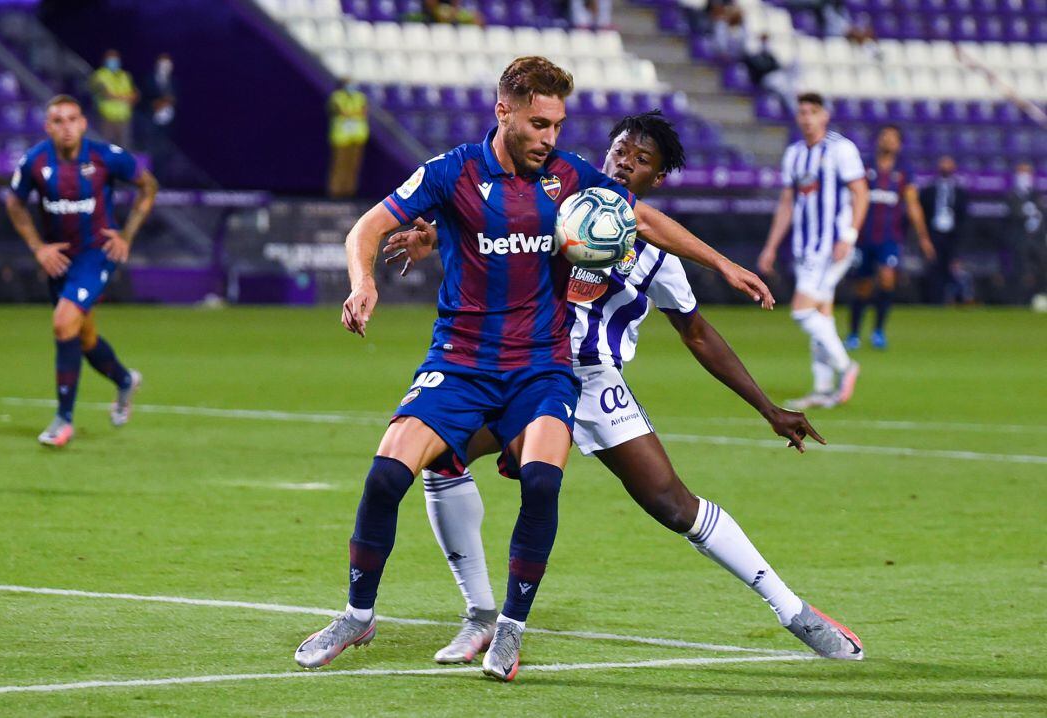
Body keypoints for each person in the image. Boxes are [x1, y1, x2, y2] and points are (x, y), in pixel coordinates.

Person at [293, 56, 774, 682]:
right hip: (460, 360)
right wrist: (364, 284)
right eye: (539, 123)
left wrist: (722, 265)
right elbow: (369, 224)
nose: (551, 138)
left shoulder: (569, 177)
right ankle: (358, 614)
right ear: (504, 112)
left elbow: (642, 217)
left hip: (540, 367)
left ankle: (508, 631)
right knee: (387, 473)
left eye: (558, 124)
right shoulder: (454, 171)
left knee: (543, 481)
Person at [385, 110, 864, 666]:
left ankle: (793, 611)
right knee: (441, 457)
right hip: (527, 370)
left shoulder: (660, 255)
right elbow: (488, 234)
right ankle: (481, 617)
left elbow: (699, 334)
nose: (625, 163)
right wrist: (436, 238)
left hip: (593, 382)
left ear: (655, 179)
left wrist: (767, 408)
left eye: (642, 161)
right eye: (620, 150)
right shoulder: (556, 203)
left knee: (673, 504)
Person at [5, 94, 158, 446]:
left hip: (95, 254)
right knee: (84, 337)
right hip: (59, 260)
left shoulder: (105, 157)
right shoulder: (35, 161)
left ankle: (64, 420)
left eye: (73, 119)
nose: (67, 127)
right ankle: (124, 381)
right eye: (58, 121)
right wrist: (38, 248)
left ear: (84, 123)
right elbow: (14, 203)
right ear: (48, 127)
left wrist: (127, 235)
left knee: (63, 323)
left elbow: (148, 186)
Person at [757, 92, 869, 410]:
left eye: (813, 111)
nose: (806, 117)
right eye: (802, 111)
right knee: (821, 315)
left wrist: (848, 235)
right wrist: (771, 246)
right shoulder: (794, 154)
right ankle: (822, 389)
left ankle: (846, 367)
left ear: (825, 116)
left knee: (802, 311)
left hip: (832, 245)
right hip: (805, 247)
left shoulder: (841, 149)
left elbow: (861, 193)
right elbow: (788, 202)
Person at [846, 126, 934, 350]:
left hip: (890, 237)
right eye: (884, 136)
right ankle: (854, 333)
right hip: (863, 236)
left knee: (887, 278)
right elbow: (851, 198)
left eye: (893, 138)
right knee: (863, 286)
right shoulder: (864, 167)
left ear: (899, 144)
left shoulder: (904, 171)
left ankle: (878, 331)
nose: (888, 141)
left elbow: (912, 204)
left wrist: (923, 236)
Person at [919, 156, 971, 305]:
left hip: (952, 234)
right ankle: (933, 301)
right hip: (934, 233)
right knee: (933, 268)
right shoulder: (929, 190)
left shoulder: (960, 191)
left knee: (951, 267)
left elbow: (963, 216)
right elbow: (922, 212)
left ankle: (952, 299)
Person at [1004, 162, 1047, 303]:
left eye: (1027, 173)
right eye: (1021, 173)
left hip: (1037, 239)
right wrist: (1026, 211)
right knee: (1020, 271)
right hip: (1020, 239)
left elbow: (1041, 214)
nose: (1024, 176)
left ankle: (1040, 297)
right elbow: (1013, 215)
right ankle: (1019, 301)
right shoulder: (1012, 195)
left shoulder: (1035, 195)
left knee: (1041, 269)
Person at [327, 78, 369, 199]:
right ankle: (335, 191)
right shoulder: (337, 97)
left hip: (357, 136)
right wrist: (353, 113)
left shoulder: (360, 97)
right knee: (340, 165)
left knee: (353, 165)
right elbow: (338, 112)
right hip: (342, 137)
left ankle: (350, 191)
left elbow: (363, 112)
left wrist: (350, 113)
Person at [88, 49, 138, 149]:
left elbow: (135, 95)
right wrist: (125, 97)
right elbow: (106, 94)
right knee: (105, 147)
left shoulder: (125, 75)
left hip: (124, 118)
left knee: (124, 148)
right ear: (105, 60)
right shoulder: (99, 75)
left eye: (115, 58)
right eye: (110, 58)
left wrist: (121, 97)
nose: (113, 61)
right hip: (107, 117)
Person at [743, 34, 800, 117]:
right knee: (785, 89)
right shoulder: (754, 55)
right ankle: (794, 111)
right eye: (763, 41)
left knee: (792, 87)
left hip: (777, 77)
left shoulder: (770, 55)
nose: (766, 44)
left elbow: (777, 66)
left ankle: (795, 109)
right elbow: (761, 68)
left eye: (767, 41)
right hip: (765, 79)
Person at [142, 53, 177, 183]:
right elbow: (144, 97)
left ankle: (163, 179)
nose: (165, 66)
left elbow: (177, 97)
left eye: (168, 63)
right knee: (152, 149)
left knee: (165, 150)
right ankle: (149, 177)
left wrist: (170, 101)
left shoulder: (173, 81)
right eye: (163, 63)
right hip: (152, 120)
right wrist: (155, 103)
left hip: (168, 122)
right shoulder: (149, 79)